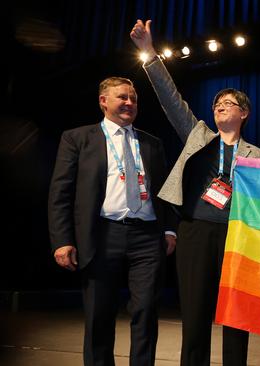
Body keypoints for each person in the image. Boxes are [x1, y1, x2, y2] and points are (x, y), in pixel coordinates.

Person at [130, 19, 260, 366]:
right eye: (217, 103)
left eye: (229, 103)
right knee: (194, 310)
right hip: (195, 231)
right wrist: (148, 52)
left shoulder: (258, 155)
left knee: (235, 314)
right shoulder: (198, 135)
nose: (220, 106)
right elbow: (170, 98)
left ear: (244, 113)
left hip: (237, 236)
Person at [48, 76, 176, 366]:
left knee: (146, 310)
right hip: (102, 234)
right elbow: (60, 193)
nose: (130, 103)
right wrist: (62, 240)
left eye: (133, 98)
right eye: (122, 97)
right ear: (103, 101)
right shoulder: (78, 138)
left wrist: (169, 229)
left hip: (147, 236)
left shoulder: (152, 143)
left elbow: (164, 192)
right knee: (99, 313)